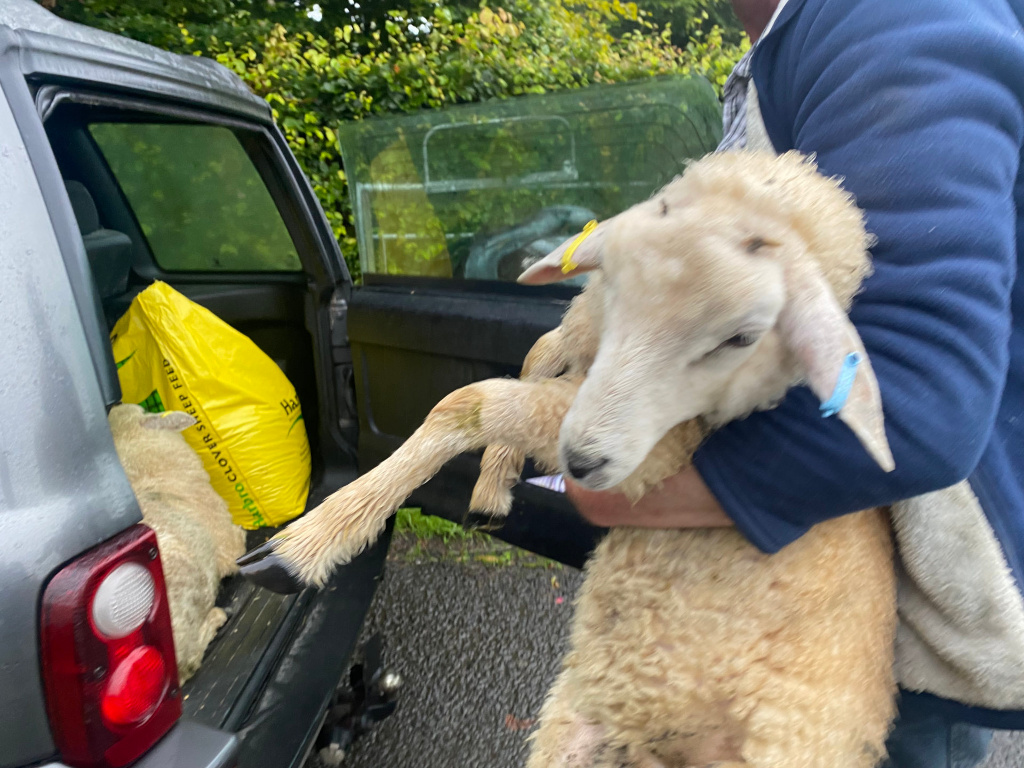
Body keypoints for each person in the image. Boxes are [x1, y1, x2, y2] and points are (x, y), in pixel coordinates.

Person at [563, 0, 1024, 765]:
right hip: (834, 577)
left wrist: (612, 491)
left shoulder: (892, 20)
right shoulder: (796, 36)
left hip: (890, 623)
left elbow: (918, 400)